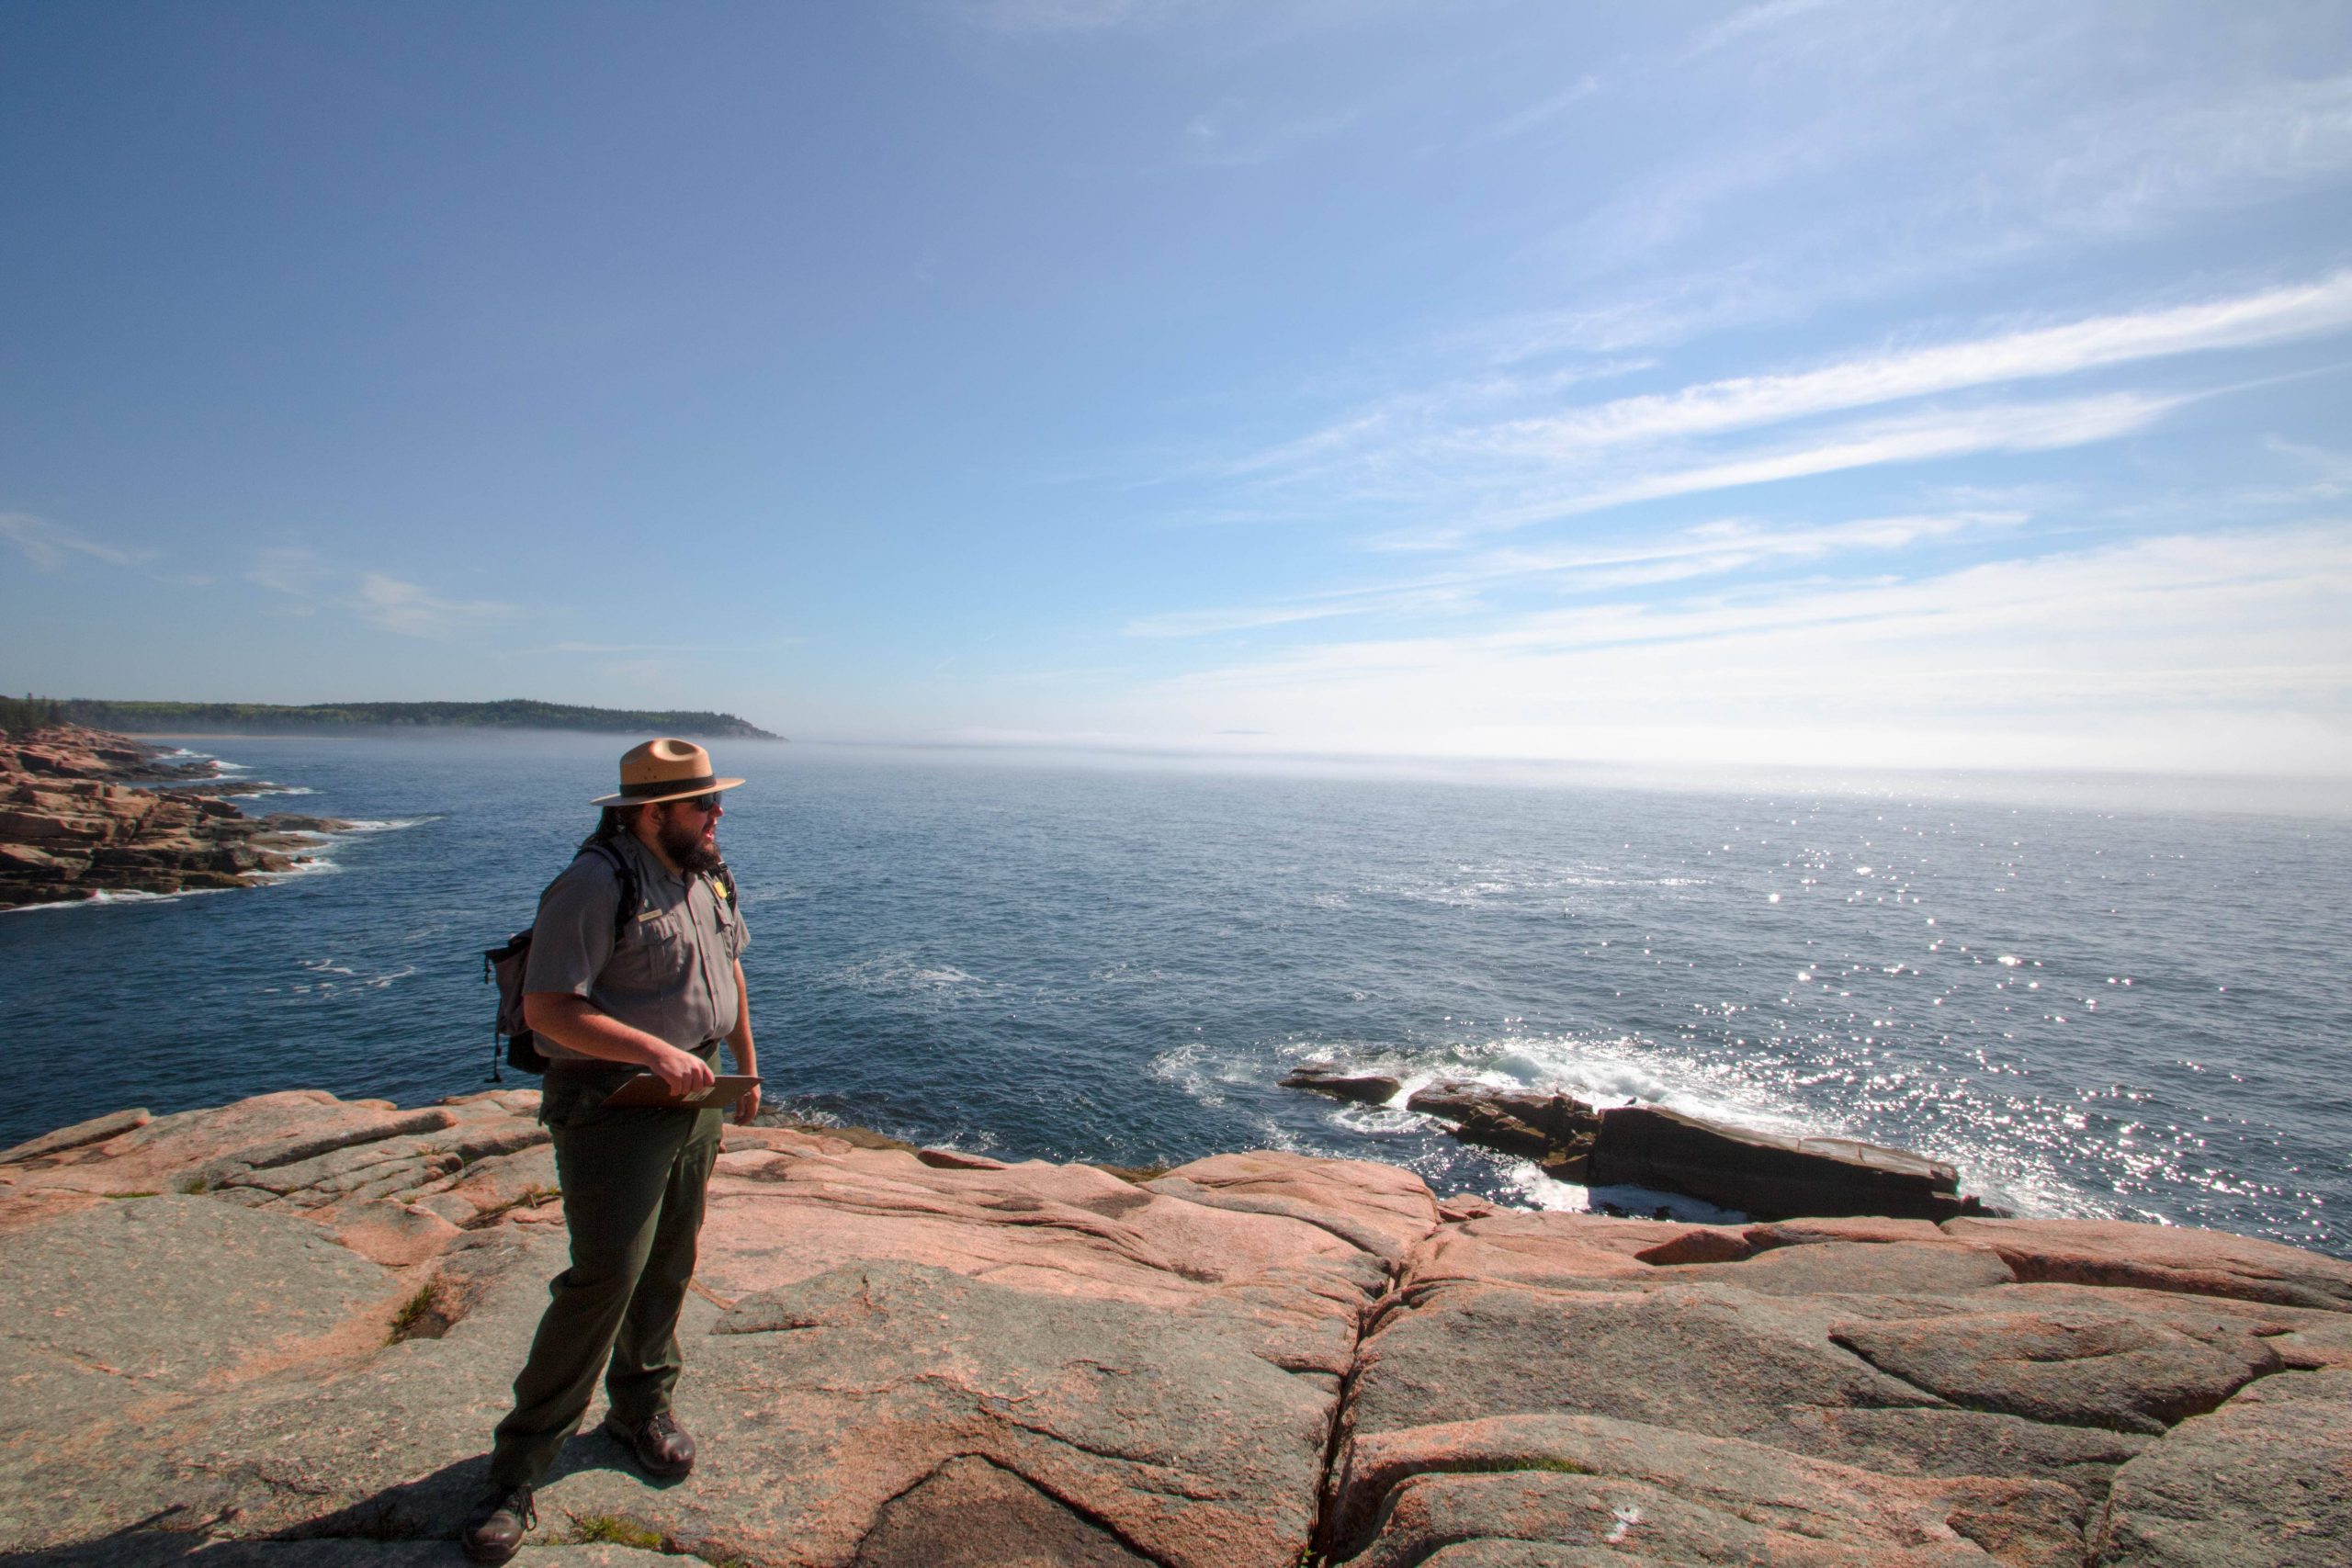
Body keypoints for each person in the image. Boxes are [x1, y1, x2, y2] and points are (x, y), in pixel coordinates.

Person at [462, 739, 758, 1564]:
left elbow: (731, 973)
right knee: (604, 1279)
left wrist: (747, 1061)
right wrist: (653, 1052)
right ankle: (517, 1469)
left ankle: (639, 1409)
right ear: (650, 811)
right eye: (703, 803)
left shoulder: (707, 873)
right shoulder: (595, 881)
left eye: (715, 800)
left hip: (693, 1098)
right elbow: (549, 1007)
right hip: (614, 1104)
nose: (717, 814)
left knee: (670, 1260)